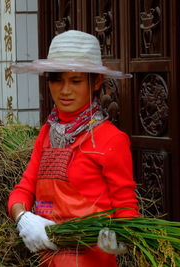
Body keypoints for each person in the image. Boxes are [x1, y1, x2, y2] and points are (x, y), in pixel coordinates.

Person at [8, 30, 139, 267]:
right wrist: (23, 217)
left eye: (76, 81)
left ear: (96, 82)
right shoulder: (47, 133)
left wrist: (124, 236)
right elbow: (24, 189)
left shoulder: (110, 139)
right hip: (46, 258)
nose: (65, 90)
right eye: (56, 79)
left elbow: (126, 205)